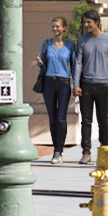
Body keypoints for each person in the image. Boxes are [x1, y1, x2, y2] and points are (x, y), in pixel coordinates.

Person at [74, 12, 108, 162]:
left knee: (103, 120)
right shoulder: (82, 40)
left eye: (88, 22)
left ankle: (105, 150)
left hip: (102, 86)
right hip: (85, 85)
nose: (86, 25)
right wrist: (76, 84)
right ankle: (86, 152)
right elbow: (78, 63)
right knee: (86, 121)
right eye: (84, 22)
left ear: (97, 22)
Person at [36, 15, 77, 160]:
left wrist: (76, 84)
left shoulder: (70, 45)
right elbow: (42, 64)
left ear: (64, 28)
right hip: (48, 82)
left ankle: (59, 151)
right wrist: (39, 62)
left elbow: (74, 66)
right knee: (52, 118)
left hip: (63, 83)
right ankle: (56, 149)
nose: (55, 29)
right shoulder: (46, 43)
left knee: (61, 118)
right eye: (53, 26)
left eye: (58, 26)